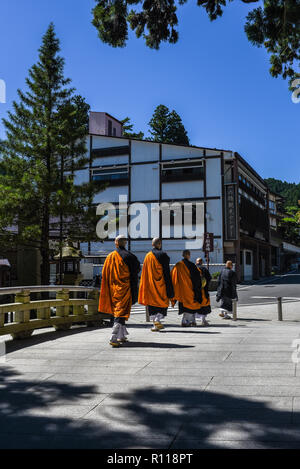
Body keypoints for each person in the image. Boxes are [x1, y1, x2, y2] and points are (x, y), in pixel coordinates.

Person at [98, 235, 140, 347]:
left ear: (116, 243)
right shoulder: (130, 256)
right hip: (125, 289)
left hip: (113, 289)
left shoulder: (110, 257)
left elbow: (104, 274)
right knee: (120, 312)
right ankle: (113, 336)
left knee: (119, 311)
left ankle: (121, 336)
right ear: (125, 243)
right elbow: (136, 270)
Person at [138, 237, 174, 332]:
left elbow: (144, 272)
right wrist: (170, 286)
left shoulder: (148, 256)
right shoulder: (163, 255)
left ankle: (154, 324)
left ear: (152, 244)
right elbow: (166, 272)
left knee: (152, 305)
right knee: (163, 303)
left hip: (150, 286)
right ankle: (158, 320)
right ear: (159, 244)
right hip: (161, 285)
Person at [171, 249, 202, 327]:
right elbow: (197, 278)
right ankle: (185, 321)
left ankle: (191, 320)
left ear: (182, 255)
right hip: (190, 290)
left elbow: (172, 277)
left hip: (181, 291)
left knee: (185, 306)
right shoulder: (191, 265)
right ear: (188, 255)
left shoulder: (177, 265)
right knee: (191, 306)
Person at [195, 258, 212, 326]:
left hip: (195, 291)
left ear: (196, 262)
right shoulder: (204, 269)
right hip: (204, 290)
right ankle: (203, 320)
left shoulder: (193, 269)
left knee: (195, 305)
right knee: (204, 306)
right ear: (202, 263)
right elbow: (209, 278)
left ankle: (193, 321)